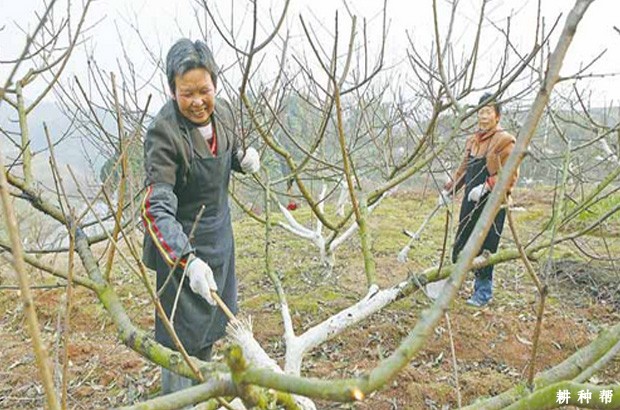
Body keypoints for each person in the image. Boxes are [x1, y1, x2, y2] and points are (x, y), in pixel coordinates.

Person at [140, 38, 260, 393]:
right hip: (180, 247)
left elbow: (226, 149)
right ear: (172, 89)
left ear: (215, 85)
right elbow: (156, 206)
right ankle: (178, 397)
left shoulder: (222, 111)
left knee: (211, 325)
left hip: (219, 239)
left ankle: (202, 394)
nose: (197, 102)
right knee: (180, 338)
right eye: (186, 93)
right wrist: (186, 260)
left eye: (204, 90)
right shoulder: (164, 132)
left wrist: (241, 160)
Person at [439, 93, 518, 307]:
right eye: (481, 111)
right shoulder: (473, 140)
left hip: (493, 202)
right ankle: (454, 282)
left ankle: (483, 292)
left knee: (486, 245)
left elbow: (510, 174)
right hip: (470, 201)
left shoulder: (505, 140)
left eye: (488, 112)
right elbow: (464, 169)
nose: (483, 116)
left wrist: (486, 187)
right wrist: (450, 188)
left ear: (497, 116)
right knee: (462, 239)